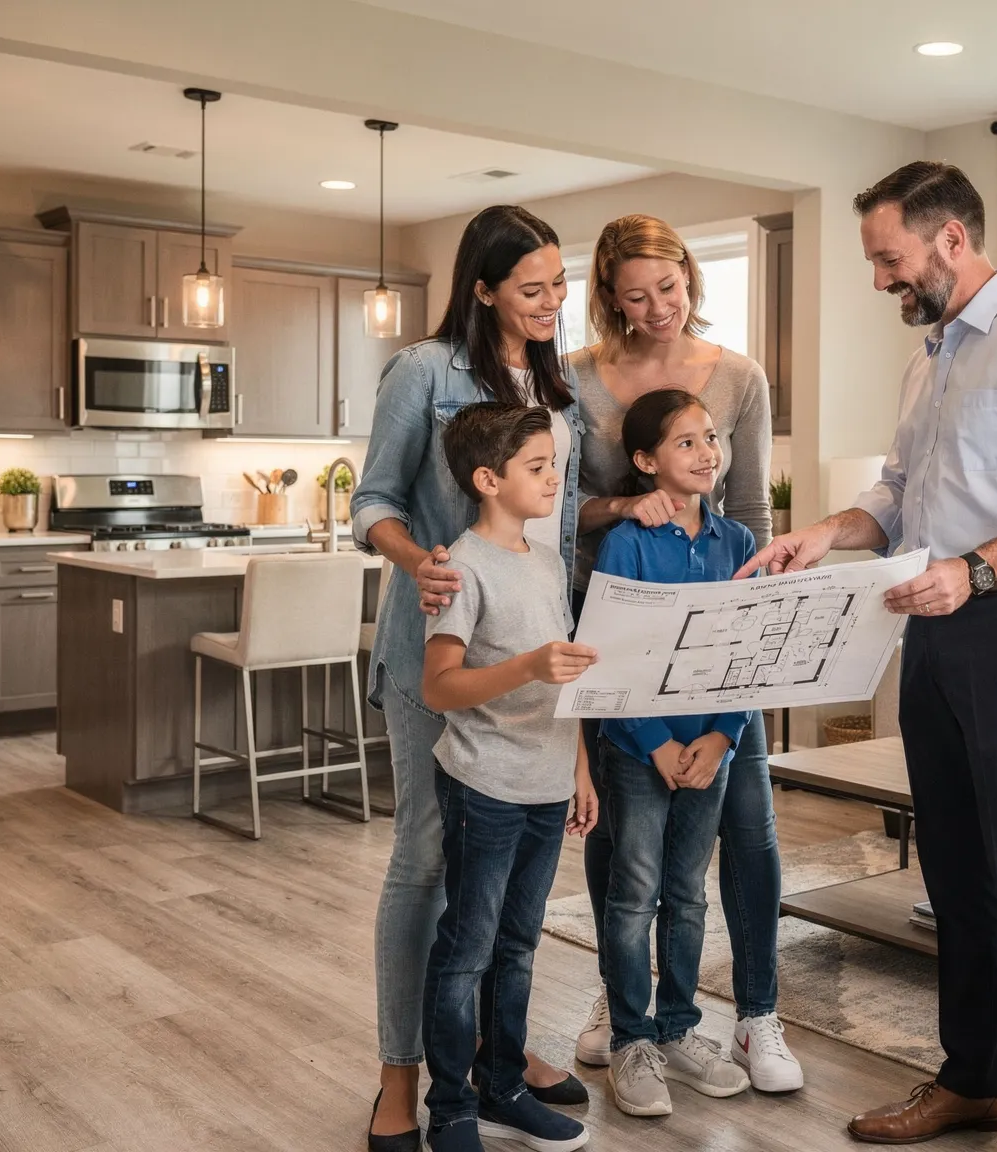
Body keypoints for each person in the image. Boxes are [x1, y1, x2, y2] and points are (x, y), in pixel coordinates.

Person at [738, 162, 997, 1152]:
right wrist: (823, 531)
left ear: (950, 240)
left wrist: (974, 572)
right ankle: (976, 1079)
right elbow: (900, 493)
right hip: (936, 633)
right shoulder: (929, 359)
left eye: (887, 258)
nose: (878, 280)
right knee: (953, 874)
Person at [351, 205, 589, 1151]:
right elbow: (372, 498)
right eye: (532, 288)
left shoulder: (561, 389)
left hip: (533, 670)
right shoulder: (424, 371)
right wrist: (417, 562)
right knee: (429, 863)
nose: (552, 302)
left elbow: (562, 526)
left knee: (512, 886)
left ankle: (497, 1057)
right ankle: (401, 1077)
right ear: (483, 288)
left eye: (560, 285)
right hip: (437, 656)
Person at [565, 214, 801, 1092]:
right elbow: (562, 508)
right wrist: (626, 513)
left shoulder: (736, 377)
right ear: (608, 297)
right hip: (617, 629)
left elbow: (754, 520)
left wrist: (754, 652)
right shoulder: (576, 379)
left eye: (671, 288)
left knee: (747, 829)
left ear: (690, 279)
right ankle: (624, 1007)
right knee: (625, 847)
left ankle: (753, 1017)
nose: (659, 308)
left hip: (720, 646)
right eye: (636, 295)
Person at [419, 402, 599, 1152]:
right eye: (536, 466)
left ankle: (503, 1087)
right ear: (488, 479)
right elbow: (439, 687)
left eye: (553, 462)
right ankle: (451, 1104)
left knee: (520, 942)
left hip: (547, 780)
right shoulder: (460, 568)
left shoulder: (547, 559)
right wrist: (525, 666)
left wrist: (581, 768)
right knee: (468, 947)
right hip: (485, 786)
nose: (554, 476)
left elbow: (568, 681)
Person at [592, 389, 758, 1117]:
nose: (706, 452)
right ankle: (631, 1040)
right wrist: (656, 743)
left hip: (711, 751)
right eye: (685, 442)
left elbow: (754, 658)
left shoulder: (738, 546)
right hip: (639, 752)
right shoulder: (626, 542)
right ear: (644, 460)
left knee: (687, 894)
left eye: (710, 438)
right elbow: (611, 659)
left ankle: (679, 1028)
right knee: (633, 895)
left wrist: (722, 738)